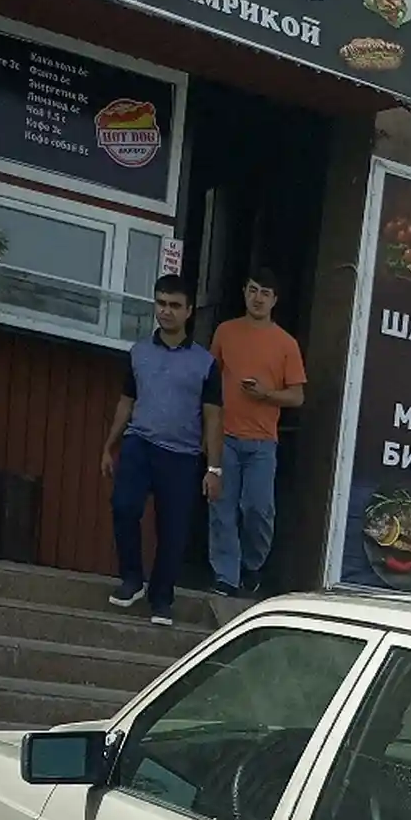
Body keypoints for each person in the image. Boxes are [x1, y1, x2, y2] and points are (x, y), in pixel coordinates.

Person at [102, 277, 223, 626]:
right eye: (160, 303)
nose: (166, 311)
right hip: (139, 443)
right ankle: (131, 578)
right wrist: (109, 445)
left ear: (188, 312)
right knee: (124, 507)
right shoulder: (139, 352)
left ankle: (161, 599)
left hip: (182, 455)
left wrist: (214, 469)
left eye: (173, 305)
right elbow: (127, 402)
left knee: (173, 531)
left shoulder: (206, 364)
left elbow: (215, 418)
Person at [208, 268, 306, 598]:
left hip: (263, 441)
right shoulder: (225, 332)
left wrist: (267, 394)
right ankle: (226, 576)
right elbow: (210, 383)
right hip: (225, 436)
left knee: (258, 509)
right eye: (253, 290)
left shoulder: (286, 344)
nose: (258, 297)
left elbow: (297, 395)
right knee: (221, 508)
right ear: (244, 292)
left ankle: (252, 566)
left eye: (265, 292)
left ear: (275, 299)